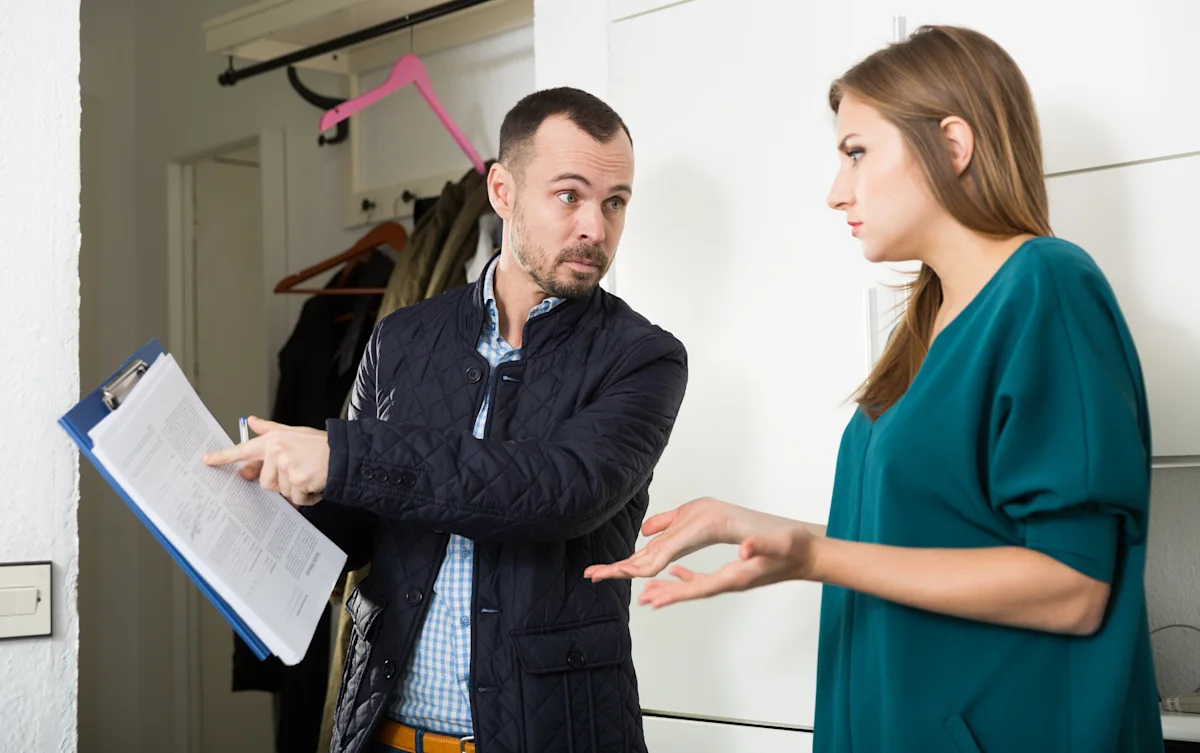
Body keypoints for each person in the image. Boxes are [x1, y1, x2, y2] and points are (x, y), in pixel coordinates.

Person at [586, 25, 1163, 753]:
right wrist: (756, 527)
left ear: (953, 145)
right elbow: (933, 546)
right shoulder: (928, 319)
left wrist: (813, 555)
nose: (836, 192)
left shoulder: (1047, 287)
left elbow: (1073, 586)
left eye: (856, 153)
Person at [205, 87, 688, 753]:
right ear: (502, 191)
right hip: (386, 735)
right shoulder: (402, 337)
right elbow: (355, 524)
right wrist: (255, 504)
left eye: (615, 201)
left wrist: (343, 455)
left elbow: (555, 492)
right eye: (569, 195)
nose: (595, 229)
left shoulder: (644, 358)